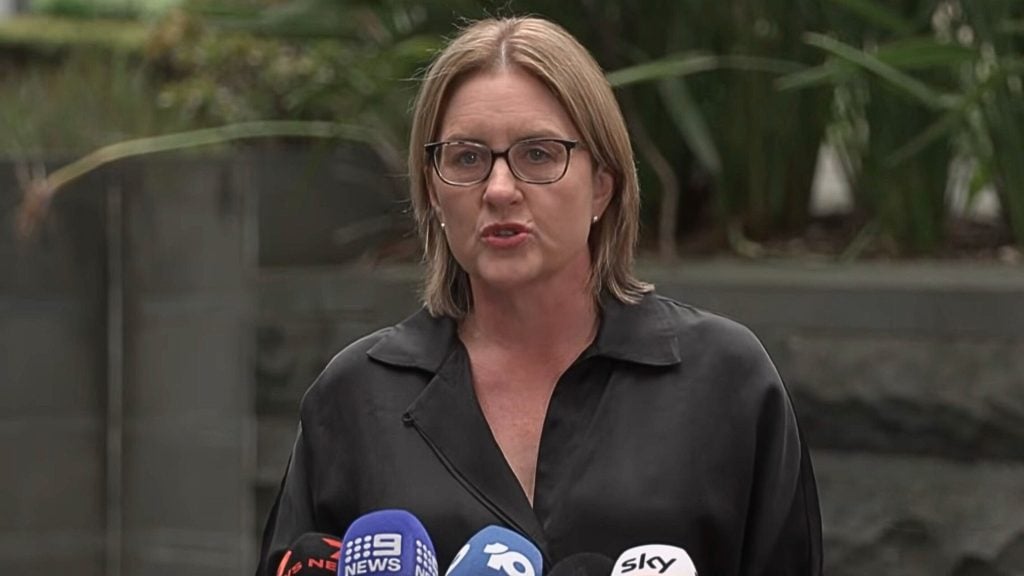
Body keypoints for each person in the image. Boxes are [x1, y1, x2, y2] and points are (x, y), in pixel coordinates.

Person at [256, 16, 822, 576]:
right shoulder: (355, 396)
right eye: (467, 158)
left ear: (603, 184)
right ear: (432, 190)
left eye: (539, 154)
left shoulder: (724, 380)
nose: (499, 190)